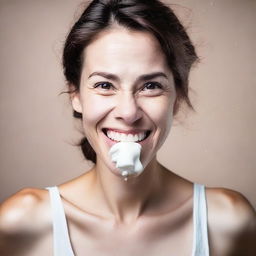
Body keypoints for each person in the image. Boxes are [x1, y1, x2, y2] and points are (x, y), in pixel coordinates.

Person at [0, 0, 255, 255]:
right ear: (75, 94)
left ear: (177, 97)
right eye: (104, 85)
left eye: (151, 86)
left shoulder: (228, 223)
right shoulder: (21, 224)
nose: (128, 112)